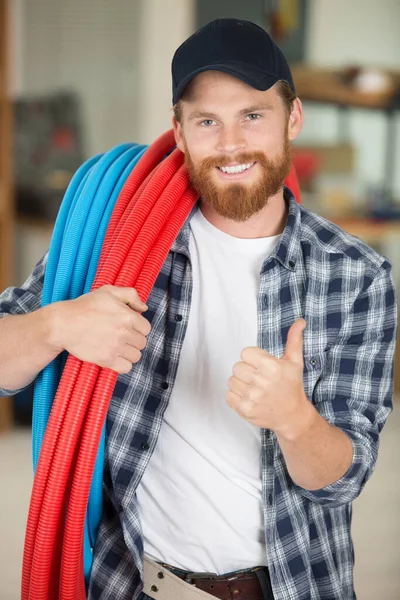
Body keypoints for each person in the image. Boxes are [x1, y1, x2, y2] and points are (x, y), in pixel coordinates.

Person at [0, 18, 397, 600]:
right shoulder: (120, 243)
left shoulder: (356, 276)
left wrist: (296, 419)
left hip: (290, 585)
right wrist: (57, 324)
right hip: (130, 582)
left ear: (294, 119)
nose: (231, 143)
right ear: (179, 133)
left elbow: (340, 480)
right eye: (208, 120)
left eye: (253, 115)